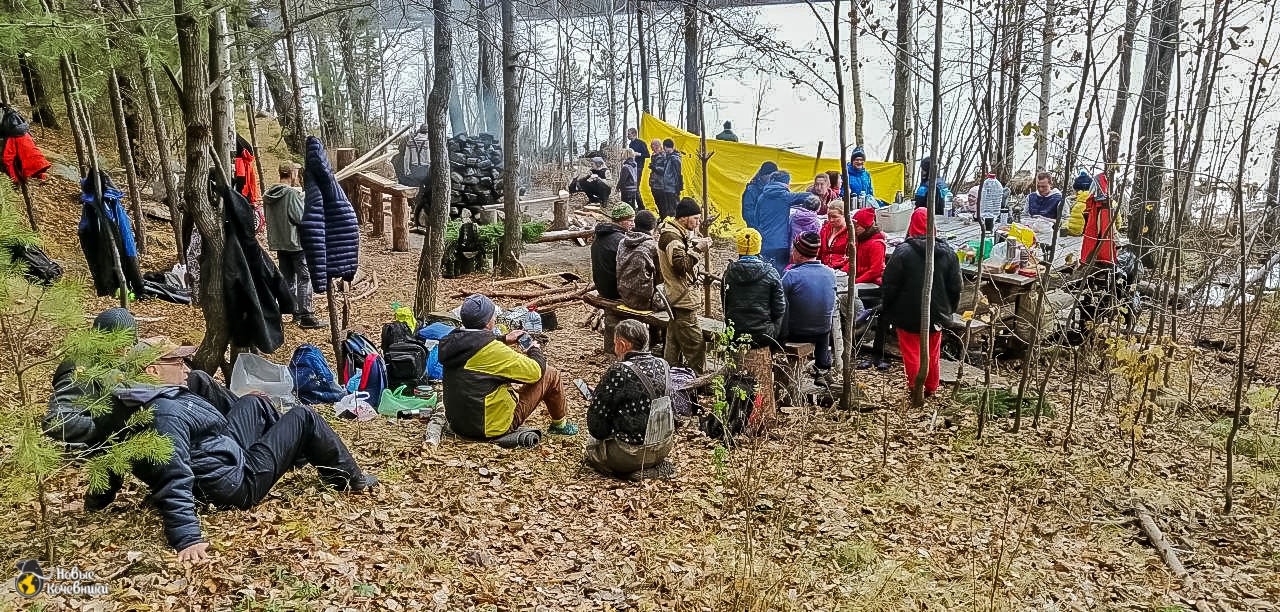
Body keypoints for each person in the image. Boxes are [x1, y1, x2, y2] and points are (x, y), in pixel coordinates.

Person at [85, 336, 377, 562]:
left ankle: (298, 449)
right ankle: (351, 479)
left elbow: (111, 455)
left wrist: (96, 500)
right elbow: (173, 475)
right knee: (305, 416)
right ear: (152, 369)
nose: (186, 368)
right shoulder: (164, 415)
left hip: (221, 450)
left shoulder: (129, 399)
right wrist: (187, 537)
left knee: (254, 402)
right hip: (234, 483)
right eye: (177, 363)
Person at [439, 294, 579, 439]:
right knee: (551, 373)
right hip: (488, 427)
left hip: (459, 424)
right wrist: (533, 348)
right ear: (488, 323)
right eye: (493, 316)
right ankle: (560, 425)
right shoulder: (492, 351)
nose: (494, 319)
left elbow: (474, 343)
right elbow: (535, 372)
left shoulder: (451, 342)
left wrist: (503, 339)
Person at [881, 208, 962, 397]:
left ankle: (915, 386)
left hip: (906, 313)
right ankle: (931, 386)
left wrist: (888, 309)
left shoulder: (902, 252)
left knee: (912, 352)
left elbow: (889, 285)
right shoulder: (949, 253)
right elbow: (956, 287)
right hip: (936, 313)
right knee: (932, 352)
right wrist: (949, 310)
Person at [584, 320, 675, 478]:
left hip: (630, 455)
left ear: (622, 344)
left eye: (614, 344)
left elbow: (596, 427)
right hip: (664, 447)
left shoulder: (619, 370)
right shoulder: (663, 364)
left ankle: (628, 472)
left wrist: (598, 398)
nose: (614, 349)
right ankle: (653, 466)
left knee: (591, 446)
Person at [264, 163, 326, 329]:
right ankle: (307, 315)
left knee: (288, 279)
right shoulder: (291, 194)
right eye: (296, 173)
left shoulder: (269, 194)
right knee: (305, 278)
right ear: (292, 174)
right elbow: (300, 217)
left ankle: (294, 312)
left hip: (280, 243)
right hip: (295, 244)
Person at [658, 198, 710, 373]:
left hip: (676, 295)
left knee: (673, 343)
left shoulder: (675, 233)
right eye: (695, 218)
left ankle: (669, 374)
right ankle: (700, 381)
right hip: (682, 299)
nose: (697, 223)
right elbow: (681, 266)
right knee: (696, 345)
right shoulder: (672, 237)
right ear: (682, 218)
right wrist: (698, 250)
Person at [781, 232, 836, 375]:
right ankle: (823, 367)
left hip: (797, 333)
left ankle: (785, 370)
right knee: (822, 325)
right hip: (822, 332)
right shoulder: (830, 273)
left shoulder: (791, 275)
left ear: (798, 253)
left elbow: (779, 304)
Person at [722, 228, 785, 346]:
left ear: (738, 248)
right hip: (764, 335)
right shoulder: (771, 273)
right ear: (758, 247)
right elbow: (779, 309)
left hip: (735, 333)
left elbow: (725, 305)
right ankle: (779, 348)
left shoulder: (728, 274)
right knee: (784, 300)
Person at [848, 207, 889, 370]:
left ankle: (859, 330)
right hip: (860, 279)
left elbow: (875, 270)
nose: (854, 229)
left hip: (873, 283)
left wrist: (855, 281)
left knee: (852, 294)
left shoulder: (876, 243)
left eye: (857, 226)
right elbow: (854, 262)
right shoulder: (860, 240)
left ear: (866, 226)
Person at [592, 202, 636, 350]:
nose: (633, 223)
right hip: (614, 290)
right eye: (630, 220)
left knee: (612, 317)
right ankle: (633, 346)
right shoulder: (620, 240)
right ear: (621, 220)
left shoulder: (600, 236)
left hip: (602, 287)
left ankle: (611, 348)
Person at [756, 171, 814, 275]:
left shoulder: (761, 197)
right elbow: (808, 195)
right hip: (780, 243)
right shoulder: (786, 196)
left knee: (764, 272)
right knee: (780, 272)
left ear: (771, 181)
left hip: (764, 240)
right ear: (787, 183)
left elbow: (756, 218)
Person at [617, 210, 661, 311]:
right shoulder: (652, 246)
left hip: (625, 296)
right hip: (644, 302)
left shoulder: (623, 241)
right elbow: (661, 274)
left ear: (635, 223)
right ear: (653, 227)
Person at [648, 139, 683, 219]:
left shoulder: (671, 157)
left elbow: (677, 174)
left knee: (671, 208)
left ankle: (670, 222)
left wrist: (677, 187)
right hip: (663, 185)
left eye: (653, 145)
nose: (651, 147)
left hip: (667, 186)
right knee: (666, 207)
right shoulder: (665, 156)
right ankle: (665, 220)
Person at [741, 161, 778, 228]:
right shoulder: (752, 190)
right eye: (769, 175)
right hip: (757, 230)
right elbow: (748, 213)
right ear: (762, 175)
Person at [818, 202, 850, 272]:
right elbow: (819, 251)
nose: (831, 220)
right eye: (829, 216)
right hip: (824, 267)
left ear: (845, 215)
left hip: (841, 270)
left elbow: (854, 258)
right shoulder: (825, 229)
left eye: (835, 217)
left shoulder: (851, 232)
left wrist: (842, 272)